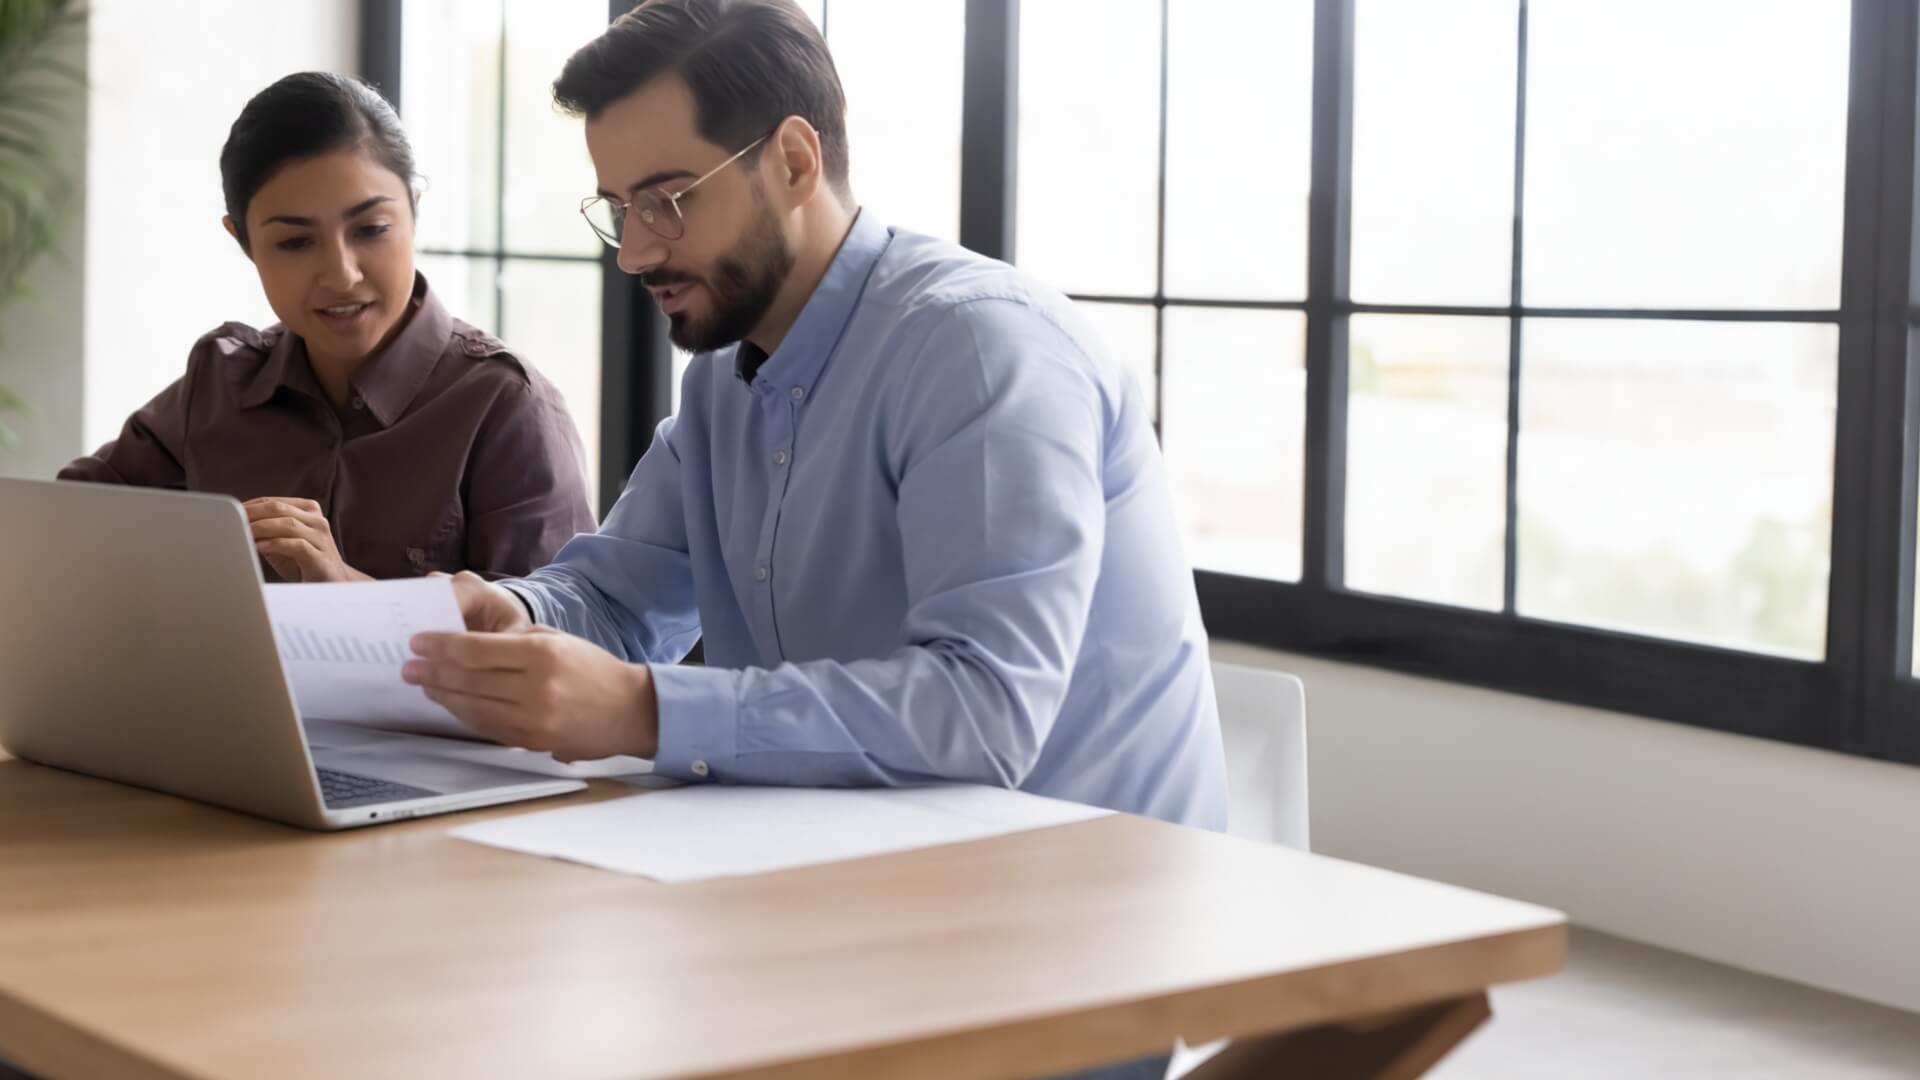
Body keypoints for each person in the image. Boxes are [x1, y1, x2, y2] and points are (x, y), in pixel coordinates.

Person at [61, 72, 595, 582]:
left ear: (414, 210)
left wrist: (346, 589)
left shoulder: (507, 407)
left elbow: (548, 636)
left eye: (372, 229)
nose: (342, 275)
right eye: (295, 242)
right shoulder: (219, 385)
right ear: (244, 242)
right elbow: (63, 523)